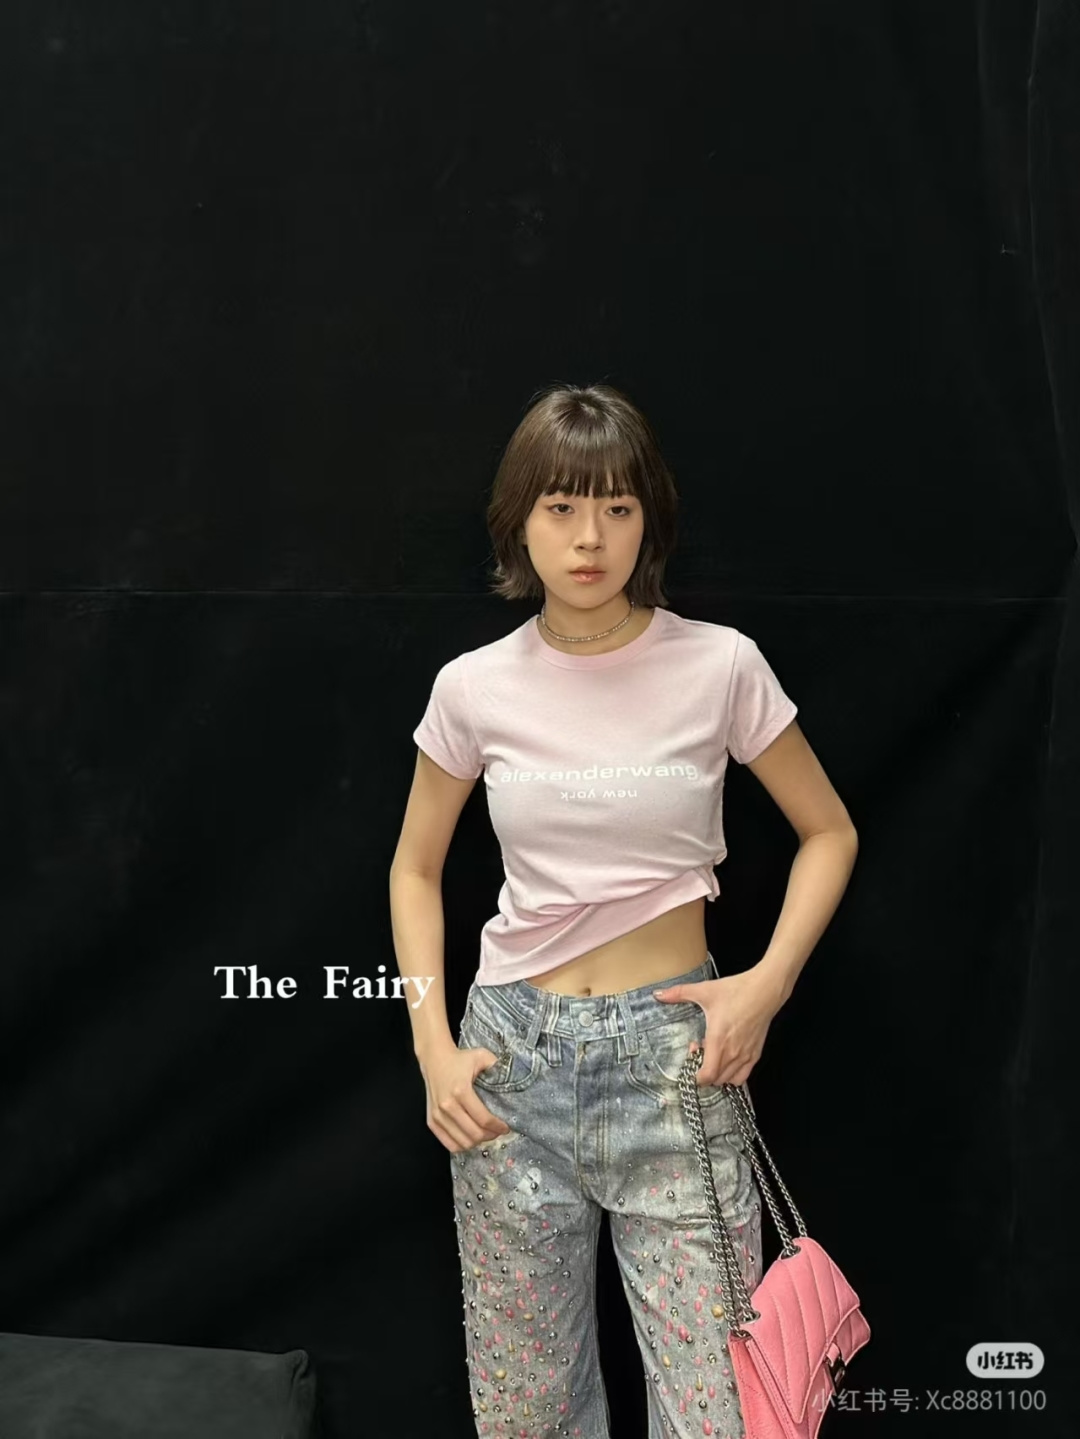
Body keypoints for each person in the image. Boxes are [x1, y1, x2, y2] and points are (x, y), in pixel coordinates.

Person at [389, 383, 859, 1439]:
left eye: (616, 506)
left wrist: (767, 985)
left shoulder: (719, 663)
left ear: (651, 517)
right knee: (528, 1413)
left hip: (677, 1060)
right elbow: (414, 869)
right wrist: (431, 1048)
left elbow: (829, 830)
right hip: (510, 1065)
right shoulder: (474, 686)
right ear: (519, 519)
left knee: (721, 1411)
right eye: (561, 506)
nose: (589, 537)